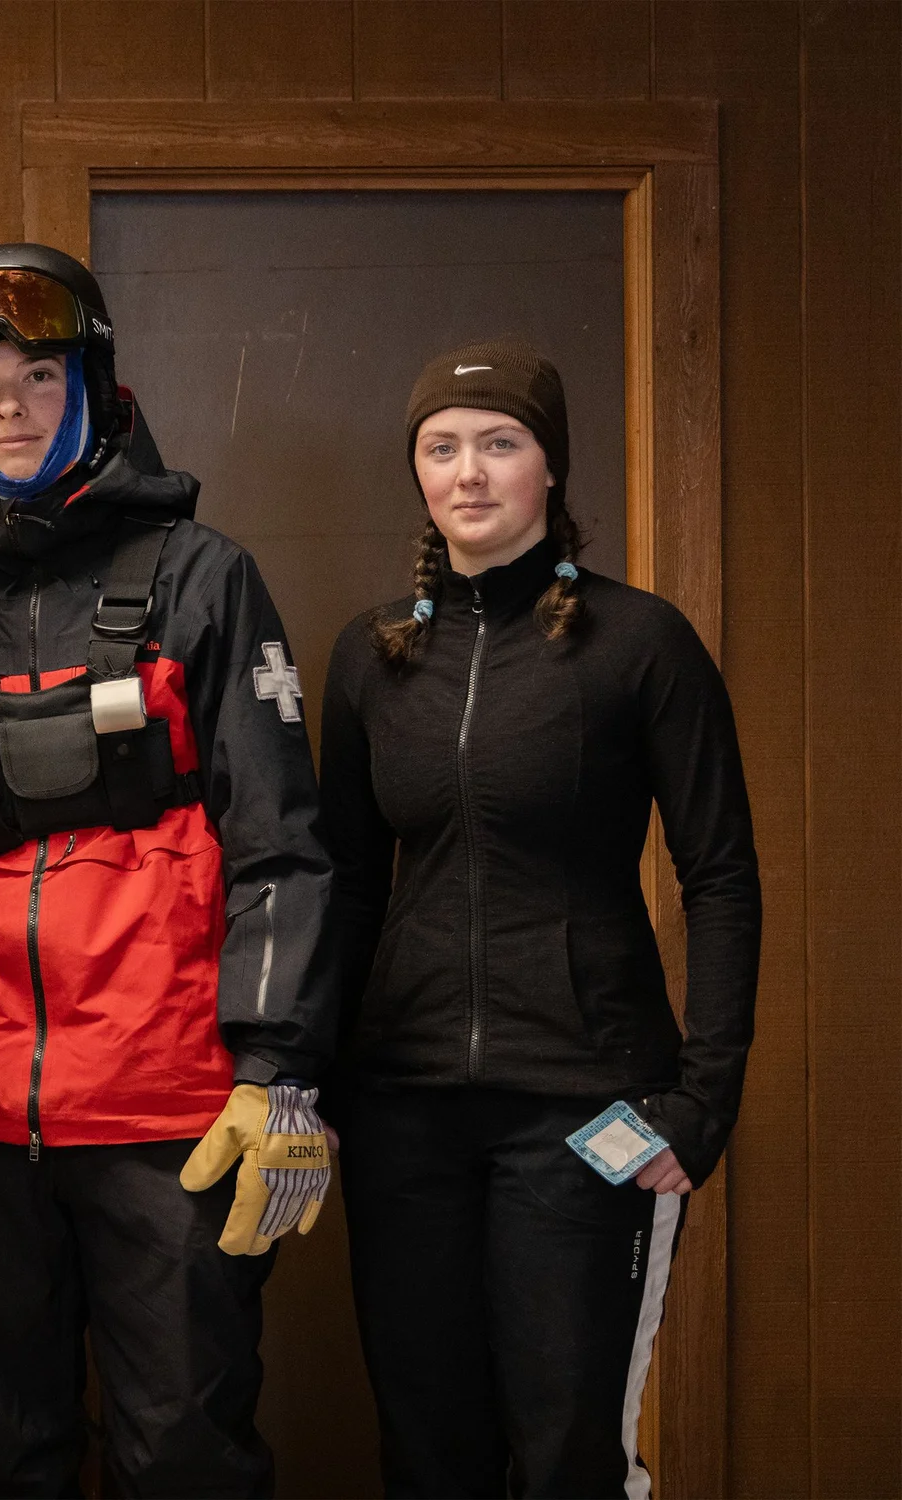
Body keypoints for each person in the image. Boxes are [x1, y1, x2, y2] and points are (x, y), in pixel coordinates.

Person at [0, 243, 338, 1498]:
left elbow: (281, 836)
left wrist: (279, 1072)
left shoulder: (204, 578)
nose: (7, 404)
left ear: (97, 388)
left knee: (183, 1453)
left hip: (172, 1113)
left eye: (37, 373)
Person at [319, 340, 760, 1499]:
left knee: (566, 1453)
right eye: (443, 447)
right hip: (405, 1117)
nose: (470, 473)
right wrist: (305, 1078)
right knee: (428, 1451)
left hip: (586, 1113)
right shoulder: (371, 659)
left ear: (550, 468)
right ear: (417, 472)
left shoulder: (640, 643)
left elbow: (721, 876)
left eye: (501, 444)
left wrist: (701, 1100)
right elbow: (348, 886)